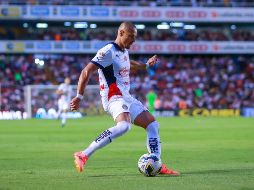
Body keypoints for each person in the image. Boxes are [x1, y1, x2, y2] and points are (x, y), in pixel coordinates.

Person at [70, 22, 179, 176]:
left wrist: (146, 65)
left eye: (135, 38)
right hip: (113, 97)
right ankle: (83, 154)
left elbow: (129, 64)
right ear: (121, 33)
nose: (133, 41)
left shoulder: (123, 51)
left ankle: (156, 163)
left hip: (126, 97)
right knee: (124, 126)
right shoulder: (107, 51)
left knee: (153, 125)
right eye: (131, 37)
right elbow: (86, 71)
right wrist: (79, 96)